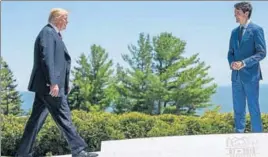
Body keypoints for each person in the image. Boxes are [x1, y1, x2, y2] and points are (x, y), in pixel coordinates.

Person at [16, 8, 98, 157]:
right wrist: (53, 82)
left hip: (47, 86)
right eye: (65, 18)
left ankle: (22, 153)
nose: (67, 22)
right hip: (49, 86)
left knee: (35, 121)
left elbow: (59, 62)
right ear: (57, 18)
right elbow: (47, 58)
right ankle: (78, 150)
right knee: (64, 116)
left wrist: (64, 82)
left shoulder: (54, 35)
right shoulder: (48, 33)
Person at [227, 2, 266, 133]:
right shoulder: (233, 32)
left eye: (237, 13)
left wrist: (243, 63)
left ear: (246, 13)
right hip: (236, 76)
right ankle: (239, 135)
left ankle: (258, 137)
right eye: (235, 13)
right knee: (238, 108)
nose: (235, 15)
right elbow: (230, 53)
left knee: (253, 107)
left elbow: (262, 53)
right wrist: (232, 63)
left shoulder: (256, 30)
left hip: (251, 75)